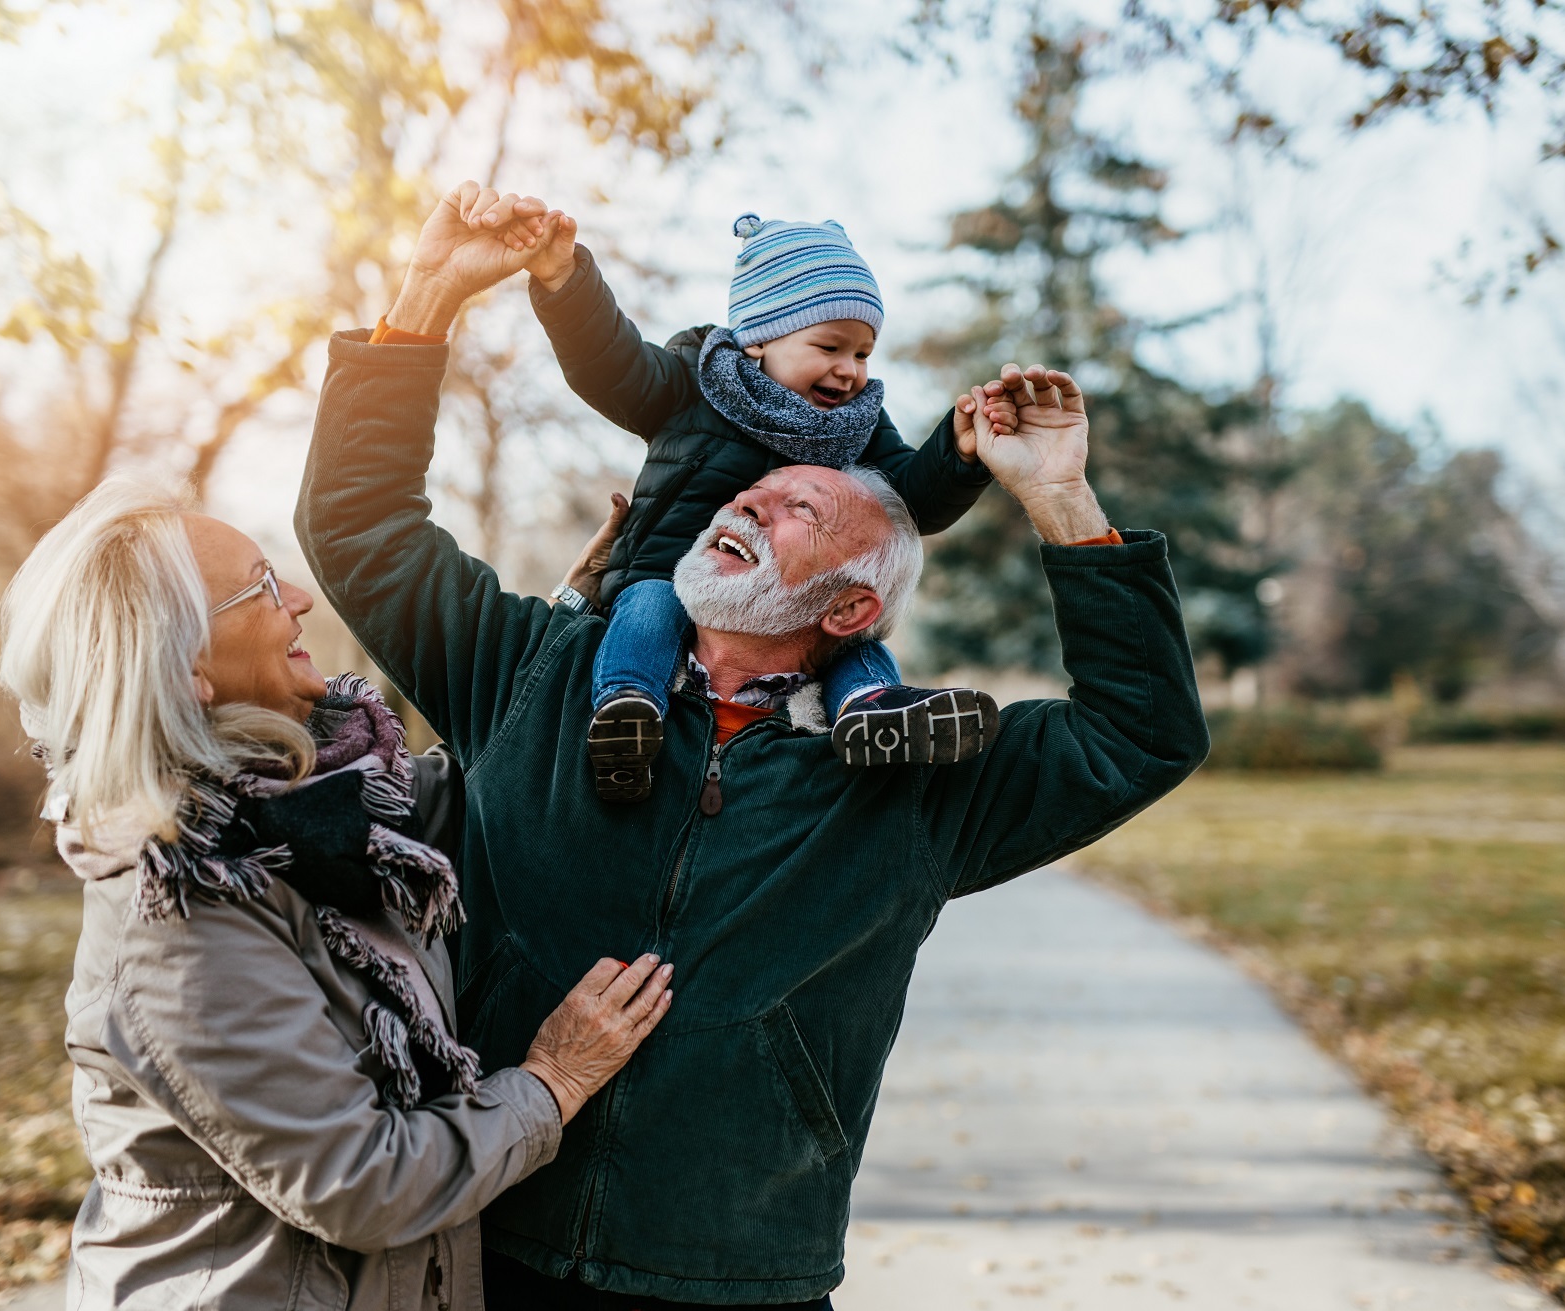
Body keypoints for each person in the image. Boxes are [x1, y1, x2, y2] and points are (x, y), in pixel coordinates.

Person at [297, 182, 1211, 1309]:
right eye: (755, 487)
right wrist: (428, 290)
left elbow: (1142, 734)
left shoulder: (911, 782)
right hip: (487, 1247)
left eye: (798, 510)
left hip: (741, 1276)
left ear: (846, 609)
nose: (746, 501)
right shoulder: (537, 677)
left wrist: (1061, 498)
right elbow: (359, 527)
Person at [0, 478, 670, 1310]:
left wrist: (571, 614)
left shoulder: (316, 808)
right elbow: (361, 1181)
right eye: (263, 587)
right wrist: (552, 1080)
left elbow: (490, 782)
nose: (302, 599)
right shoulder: (179, 903)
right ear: (188, 667)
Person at [493, 206, 1020, 799]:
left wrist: (960, 452)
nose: (850, 371)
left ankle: (872, 712)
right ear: (758, 337)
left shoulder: (856, 427)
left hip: (782, 612)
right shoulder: (691, 386)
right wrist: (565, 281)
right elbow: (609, 363)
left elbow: (911, 501)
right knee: (645, 607)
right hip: (665, 576)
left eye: (864, 353)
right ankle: (627, 710)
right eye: (830, 346)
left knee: (851, 643)